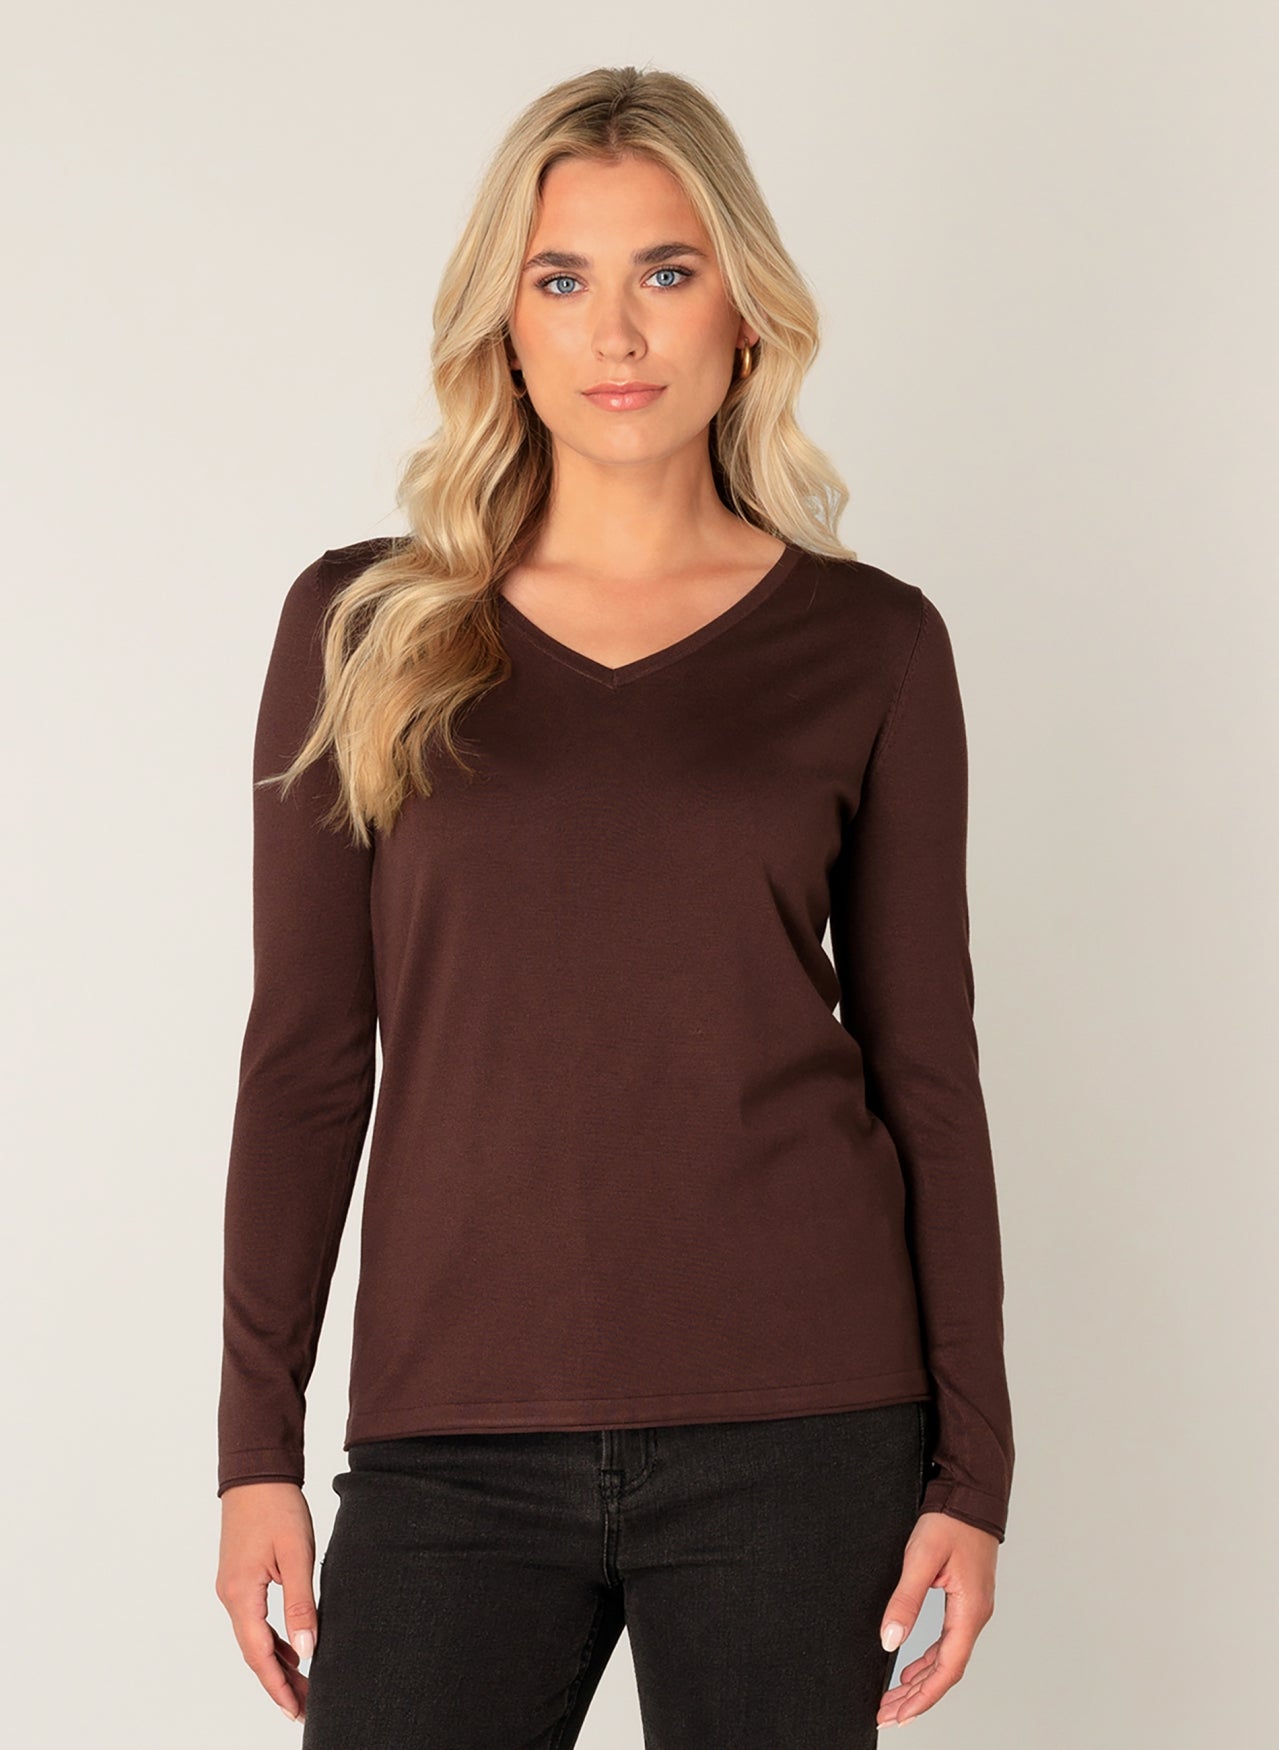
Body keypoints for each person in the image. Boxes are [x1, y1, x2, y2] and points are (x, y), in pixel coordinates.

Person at [213, 64, 1013, 1748]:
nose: (619, 331)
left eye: (667, 269)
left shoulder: (872, 645)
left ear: (744, 305)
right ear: (504, 322)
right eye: (562, 278)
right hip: (452, 1435)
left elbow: (927, 1069)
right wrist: (253, 1449)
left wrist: (973, 1470)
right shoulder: (362, 629)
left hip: (802, 1429)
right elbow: (304, 1063)